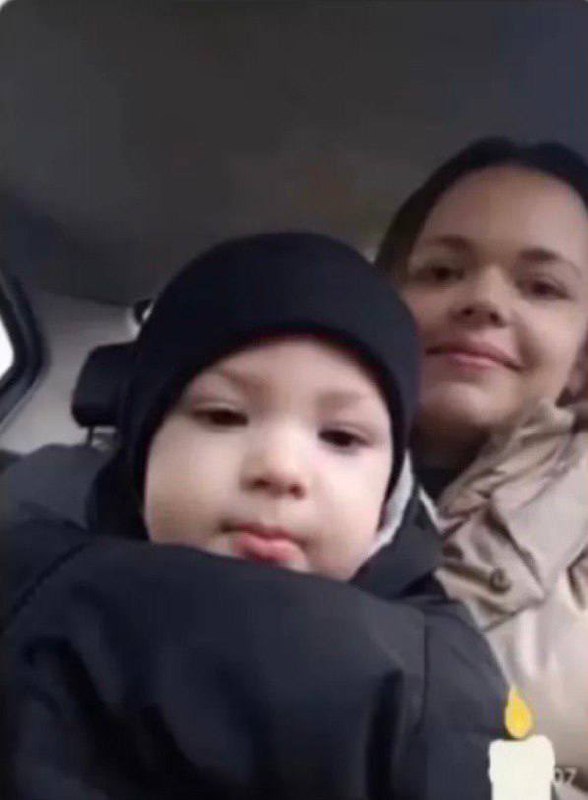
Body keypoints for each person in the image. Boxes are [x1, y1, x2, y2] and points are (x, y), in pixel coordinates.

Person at [6, 232, 508, 799]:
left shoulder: (438, 678)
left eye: (341, 437)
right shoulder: (34, 558)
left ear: (390, 494)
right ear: (144, 447)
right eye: (223, 416)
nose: (280, 468)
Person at [375, 138, 588, 799]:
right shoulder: (260, 471)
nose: (484, 301)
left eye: (542, 287)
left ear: (582, 360)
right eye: (441, 272)